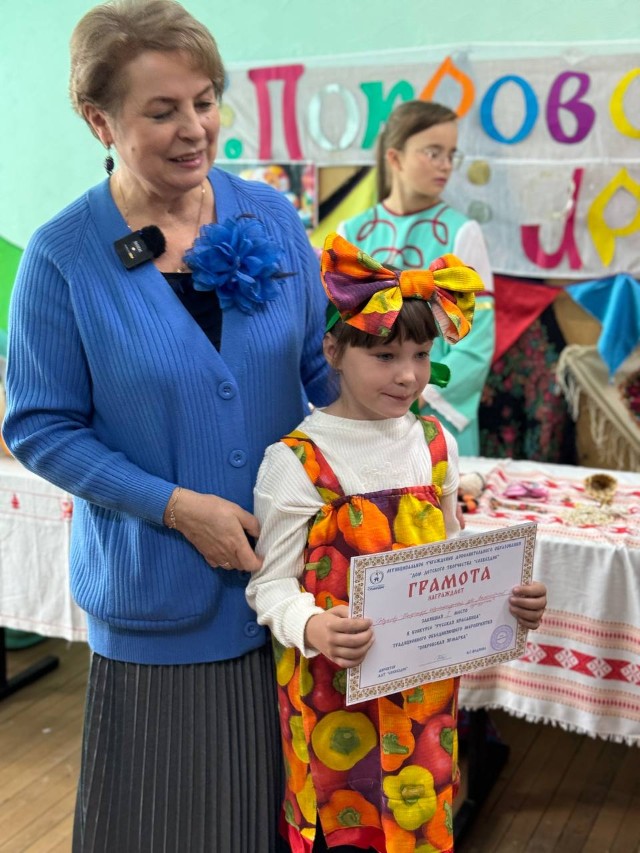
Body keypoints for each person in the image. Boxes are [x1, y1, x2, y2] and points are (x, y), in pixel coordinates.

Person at [2, 2, 331, 850]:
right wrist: (176, 507)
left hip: (296, 588)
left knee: (281, 821)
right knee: (168, 822)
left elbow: (321, 370)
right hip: (159, 600)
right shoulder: (61, 257)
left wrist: (417, 455)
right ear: (99, 121)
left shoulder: (270, 219)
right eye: (162, 111)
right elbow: (39, 426)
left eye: (205, 100)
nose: (195, 129)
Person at [246, 232, 547, 852]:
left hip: (423, 699)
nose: (408, 374)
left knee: (418, 821)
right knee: (342, 827)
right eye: (384, 355)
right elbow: (269, 585)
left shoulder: (435, 443)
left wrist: (506, 601)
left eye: (420, 353)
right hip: (332, 697)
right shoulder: (296, 462)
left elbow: (452, 556)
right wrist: (311, 625)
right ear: (334, 349)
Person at [339, 100, 495, 456]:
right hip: (364, 414)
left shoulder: (463, 233)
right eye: (433, 152)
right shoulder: (352, 233)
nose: (445, 165)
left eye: (451, 154)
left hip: (435, 414)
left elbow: (477, 340)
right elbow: (338, 331)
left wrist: (419, 392)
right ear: (395, 158)